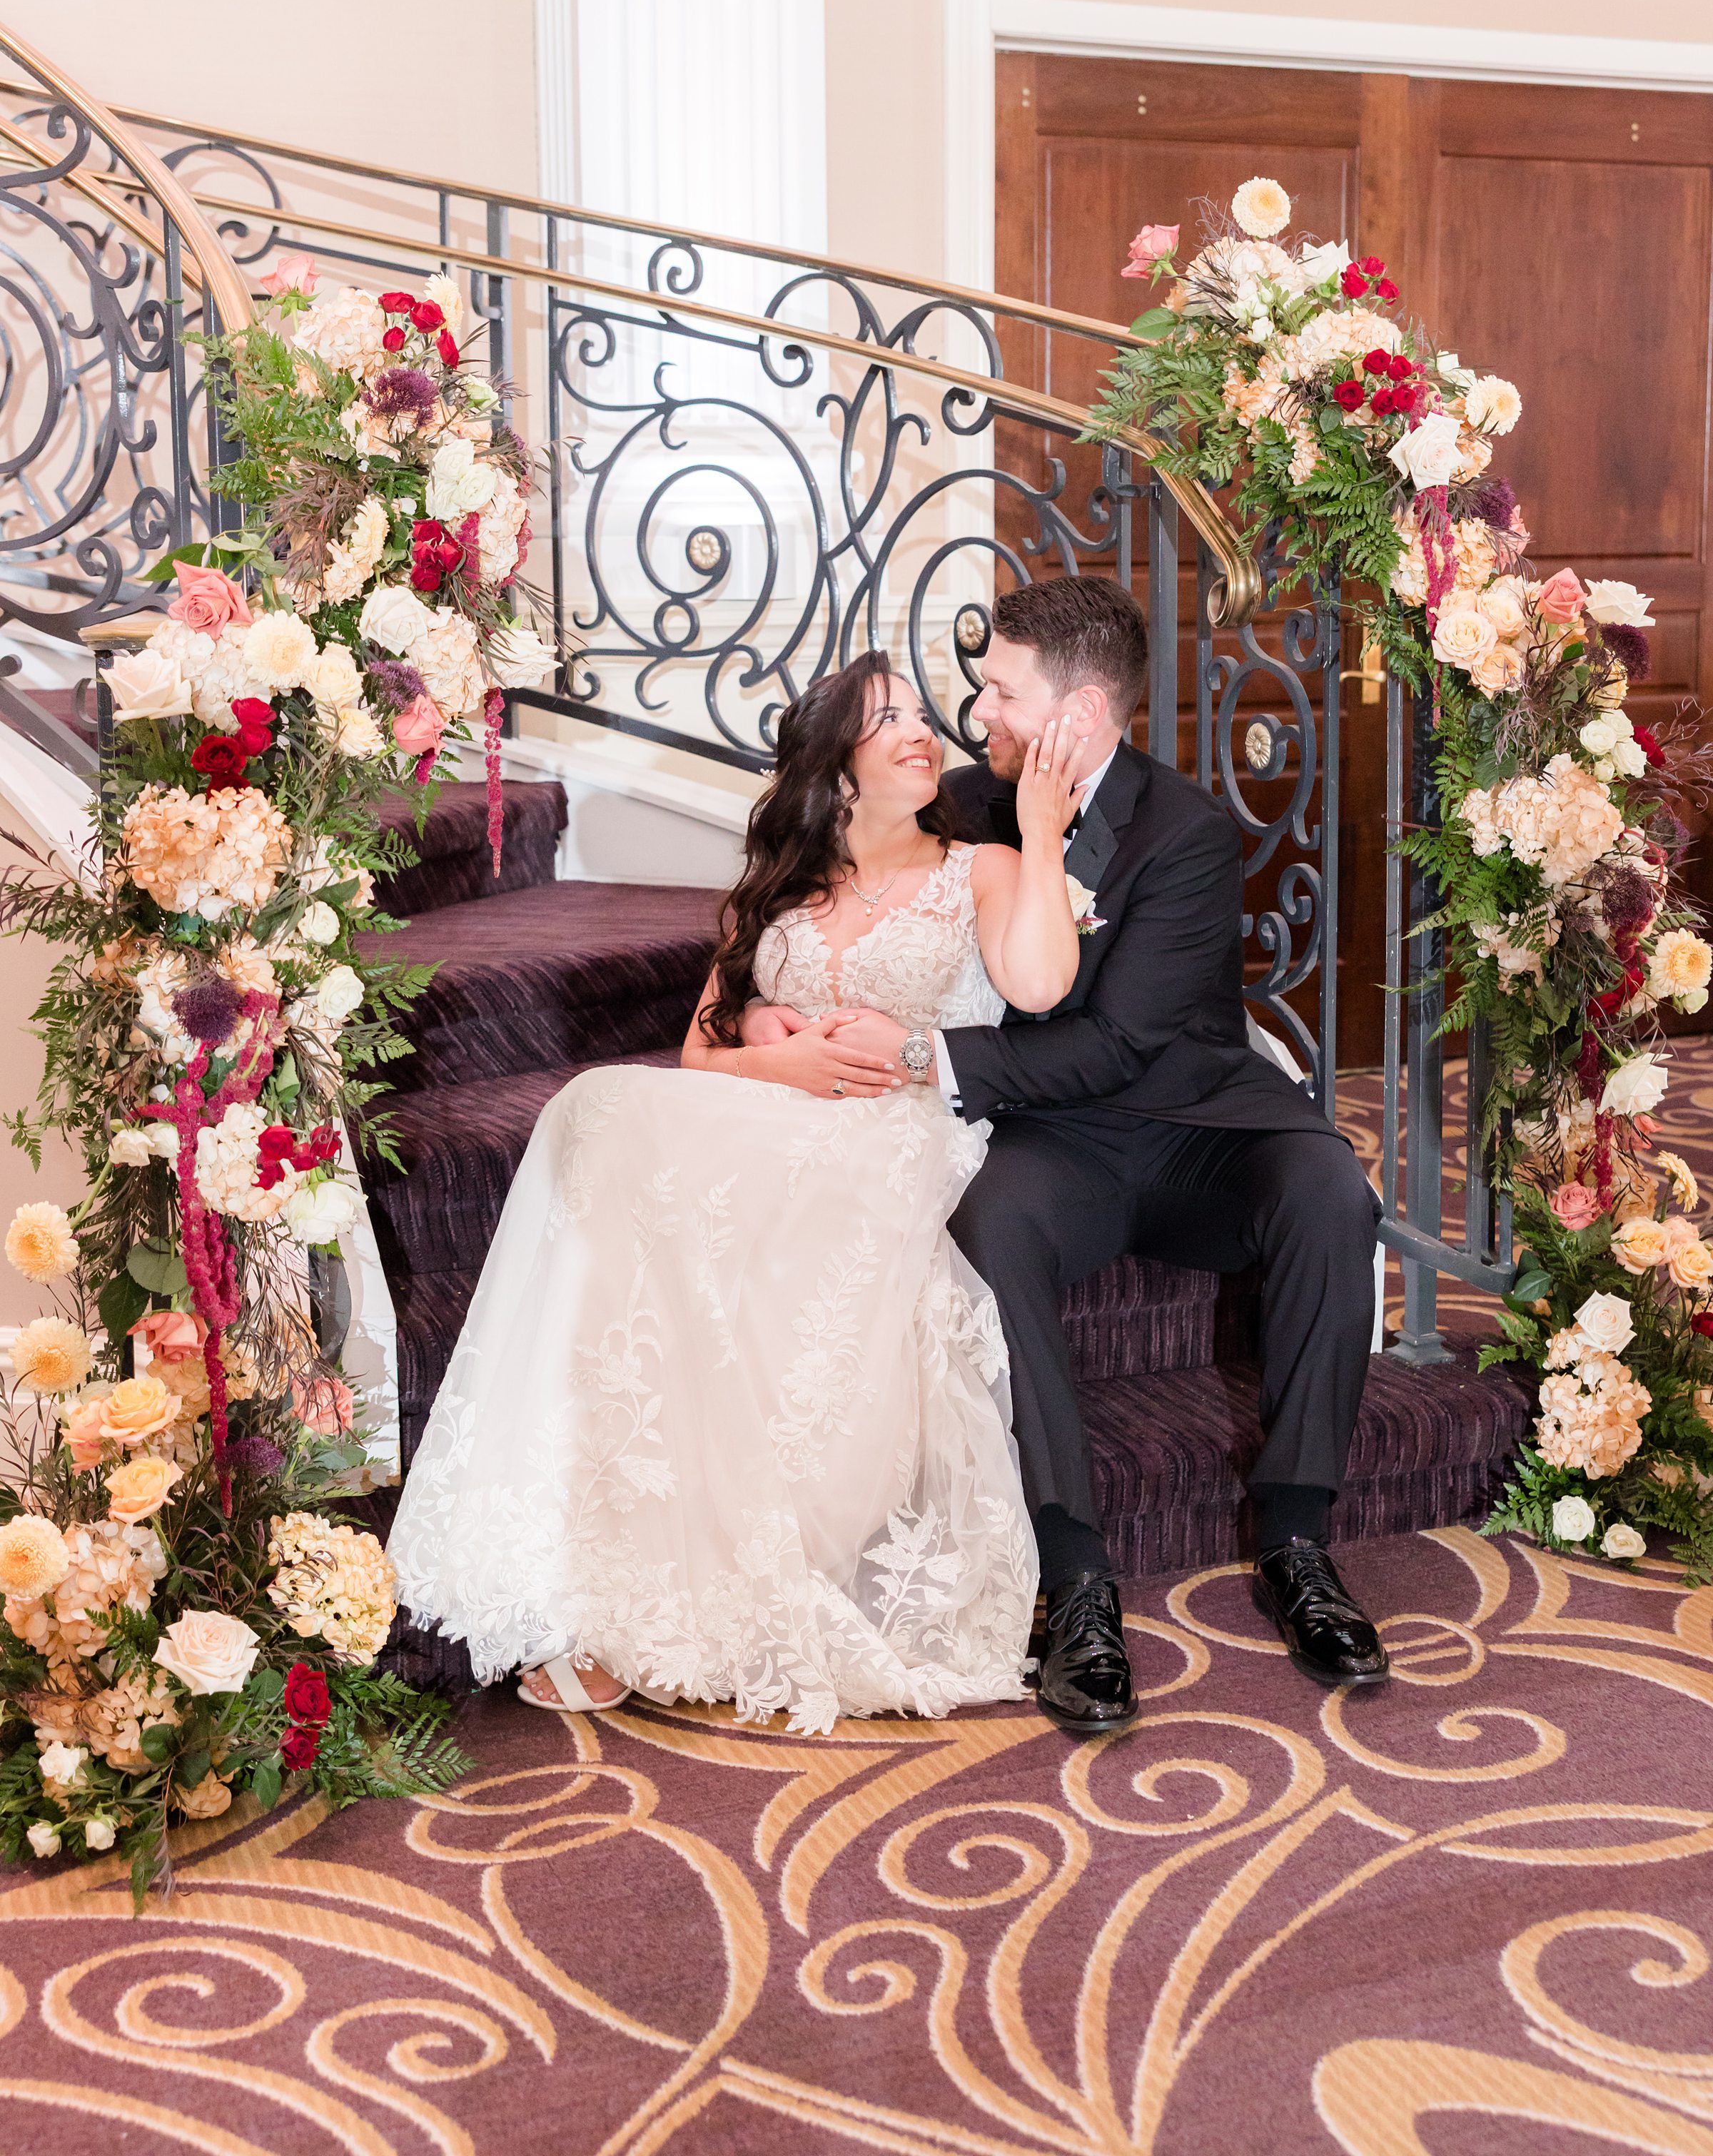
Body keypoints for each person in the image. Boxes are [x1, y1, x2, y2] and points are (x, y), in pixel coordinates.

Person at [388, 652, 1089, 1732]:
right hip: (773, 1111)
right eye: (886, 719)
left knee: (722, 1208)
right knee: (597, 1113)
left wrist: (1041, 832)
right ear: (836, 770)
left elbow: (1041, 983)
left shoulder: (982, 868)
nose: (920, 730)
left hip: (897, 1138)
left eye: (918, 714)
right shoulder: (778, 892)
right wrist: (785, 1061)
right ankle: (595, 1563)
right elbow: (701, 1057)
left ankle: (721, 1572)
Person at [747, 577, 1390, 1734]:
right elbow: (831, 865)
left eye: (1001, 690)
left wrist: (926, 1056)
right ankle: (1076, 1578)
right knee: (996, 1225)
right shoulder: (969, 801)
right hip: (1058, 1143)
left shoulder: (1186, 832)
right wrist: (766, 1007)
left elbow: (1124, 1043)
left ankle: (1298, 1541)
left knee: (1332, 1192)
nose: (976, 707)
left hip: (1198, 1125)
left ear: (1080, 717)